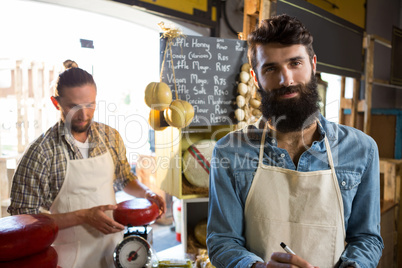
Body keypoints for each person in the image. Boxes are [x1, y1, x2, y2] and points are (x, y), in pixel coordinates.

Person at [207, 14, 383, 268]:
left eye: (295, 63)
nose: (286, 79)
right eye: (271, 68)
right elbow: (223, 241)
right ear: (256, 78)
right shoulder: (229, 152)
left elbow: (366, 238)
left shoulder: (361, 149)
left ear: (312, 64)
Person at [8, 64, 166, 268]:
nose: (84, 114)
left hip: (114, 253)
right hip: (67, 258)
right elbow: (22, 223)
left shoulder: (111, 137)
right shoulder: (40, 153)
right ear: (56, 103)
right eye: (74, 107)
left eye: (90, 104)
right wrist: (83, 216)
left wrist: (147, 193)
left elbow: (125, 178)